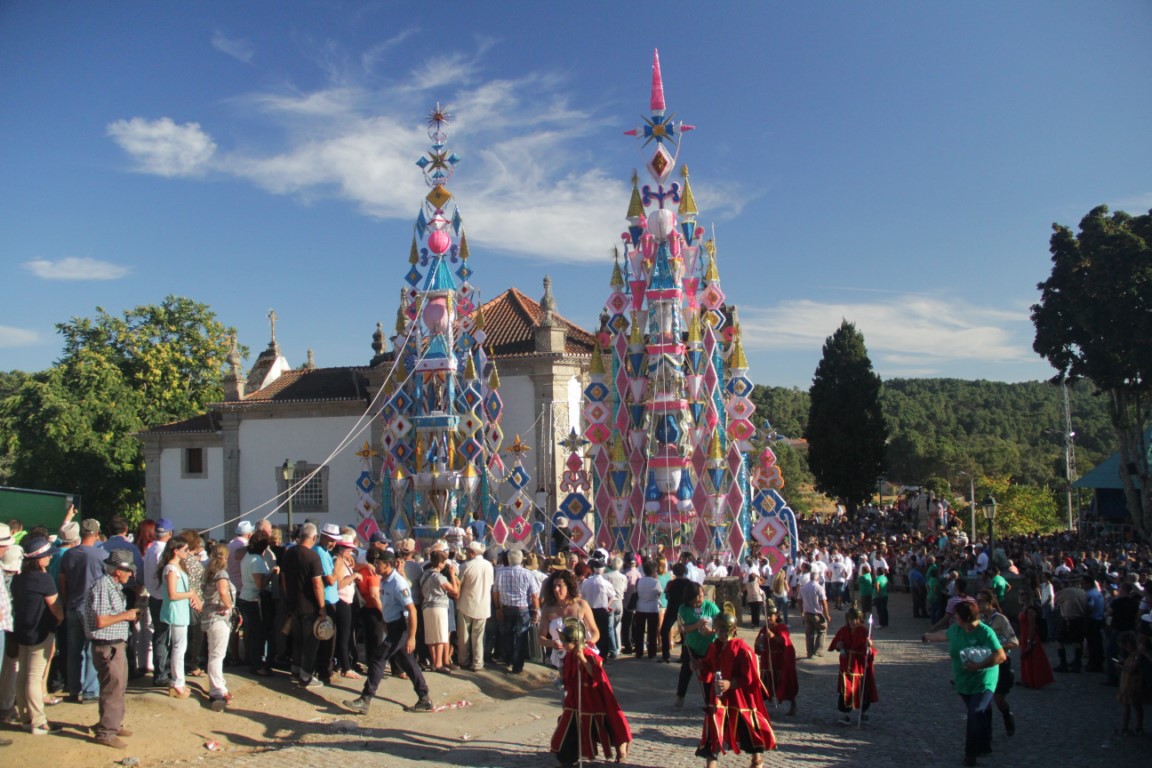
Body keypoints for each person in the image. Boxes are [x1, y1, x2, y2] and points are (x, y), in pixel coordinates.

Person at [343, 549, 432, 714]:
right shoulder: (383, 579)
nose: (376, 565)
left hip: (401, 627)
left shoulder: (398, 583)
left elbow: (412, 610)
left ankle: (366, 698)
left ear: (388, 565)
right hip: (392, 625)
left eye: (379, 563)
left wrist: (412, 637)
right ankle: (424, 697)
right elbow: (389, 605)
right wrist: (386, 621)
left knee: (378, 658)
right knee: (408, 663)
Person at [923, 600, 1006, 767]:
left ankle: (970, 753)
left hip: (984, 680)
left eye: (956, 616)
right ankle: (985, 743)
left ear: (964, 618)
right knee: (980, 712)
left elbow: (1001, 656)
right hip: (964, 682)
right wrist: (928, 637)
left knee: (975, 713)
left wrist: (978, 666)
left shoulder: (985, 632)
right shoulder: (957, 630)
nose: (954, 619)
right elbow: (944, 634)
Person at [695, 604, 776, 768]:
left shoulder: (743, 650)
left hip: (739, 699)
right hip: (718, 698)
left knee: (748, 730)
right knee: (713, 730)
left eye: (725, 630)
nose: (722, 634)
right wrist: (698, 665)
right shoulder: (715, 646)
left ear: (732, 629)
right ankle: (711, 765)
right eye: (719, 630)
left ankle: (757, 760)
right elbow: (709, 664)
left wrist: (730, 683)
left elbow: (750, 678)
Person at [549, 617, 632, 766]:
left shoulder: (588, 655)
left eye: (567, 641)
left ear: (576, 641)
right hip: (575, 700)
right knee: (569, 726)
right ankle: (567, 757)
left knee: (608, 726)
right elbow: (569, 676)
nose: (565, 644)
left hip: (593, 700)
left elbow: (596, 674)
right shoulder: (568, 656)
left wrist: (583, 659)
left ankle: (621, 746)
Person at [84, 549, 140, 748]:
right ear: (118, 570)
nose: (131, 574)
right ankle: (106, 732)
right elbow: (101, 620)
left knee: (118, 687)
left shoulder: (113, 586)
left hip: (116, 643)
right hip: (107, 645)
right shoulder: (102, 586)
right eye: (128, 571)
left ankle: (113, 723)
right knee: (112, 688)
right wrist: (126, 615)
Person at [11, 537, 63, 736]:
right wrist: (59, 618)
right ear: (38, 558)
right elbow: (54, 606)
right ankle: (39, 722)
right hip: (40, 632)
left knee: (22, 674)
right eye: (46, 555)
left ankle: (25, 718)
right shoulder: (43, 579)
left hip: (21, 630)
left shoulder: (19, 577)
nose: (49, 557)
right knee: (34, 677)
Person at [59, 517, 106, 704]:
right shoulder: (100, 556)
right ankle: (90, 690)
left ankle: (73, 689)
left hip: (72, 605)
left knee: (73, 650)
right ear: (95, 534)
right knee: (90, 649)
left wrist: (66, 599)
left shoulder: (68, 554)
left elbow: (63, 580)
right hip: (91, 608)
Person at [159, 536, 201, 698]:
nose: (187, 552)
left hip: (181, 609)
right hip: (176, 610)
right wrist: (190, 594)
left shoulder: (177, 567)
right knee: (178, 647)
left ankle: (178, 681)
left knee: (180, 646)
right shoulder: (171, 568)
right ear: (176, 551)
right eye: (184, 550)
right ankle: (177, 683)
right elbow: (172, 594)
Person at [975, 590, 1018, 737]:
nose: (978, 604)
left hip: (1000, 662)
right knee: (984, 701)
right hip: (984, 664)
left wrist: (998, 646)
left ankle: (1007, 715)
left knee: (999, 700)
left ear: (989, 603)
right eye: (977, 601)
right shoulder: (978, 619)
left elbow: (1014, 642)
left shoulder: (1000, 619)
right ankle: (987, 733)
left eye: (981, 601)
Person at [200, 542, 236, 711]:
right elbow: (222, 591)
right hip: (219, 618)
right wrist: (229, 607)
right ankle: (216, 689)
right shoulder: (221, 573)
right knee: (217, 655)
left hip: (209, 617)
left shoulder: (208, 573)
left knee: (214, 653)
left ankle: (220, 685)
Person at [540, 569, 599, 669]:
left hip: (583, 655)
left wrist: (587, 644)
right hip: (561, 659)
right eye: (554, 586)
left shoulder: (581, 605)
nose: (556, 589)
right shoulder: (547, 608)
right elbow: (541, 638)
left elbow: (595, 632)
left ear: (568, 587)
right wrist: (552, 643)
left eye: (560, 586)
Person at [493, 549, 540, 675]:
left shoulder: (500, 572)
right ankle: (517, 666)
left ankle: (508, 659)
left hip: (506, 608)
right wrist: (536, 611)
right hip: (522, 609)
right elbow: (534, 595)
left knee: (507, 635)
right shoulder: (528, 574)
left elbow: (495, 592)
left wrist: (497, 608)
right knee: (520, 637)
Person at [675, 581, 720, 708]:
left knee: (707, 673)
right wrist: (697, 625)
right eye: (697, 596)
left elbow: (719, 624)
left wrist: (711, 631)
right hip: (691, 646)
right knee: (686, 671)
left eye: (701, 595)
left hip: (708, 646)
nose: (700, 598)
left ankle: (708, 700)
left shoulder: (710, 607)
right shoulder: (684, 608)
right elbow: (683, 628)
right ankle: (680, 696)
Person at [829, 605, 878, 724]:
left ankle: (863, 712)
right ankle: (845, 714)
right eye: (851, 619)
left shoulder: (864, 631)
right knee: (845, 689)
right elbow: (835, 644)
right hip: (846, 665)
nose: (853, 621)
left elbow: (871, 652)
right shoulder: (843, 630)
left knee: (862, 689)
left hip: (859, 665)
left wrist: (869, 645)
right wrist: (838, 645)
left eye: (856, 619)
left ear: (860, 619)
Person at [144, 518, 174, 688]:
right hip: (163, 597)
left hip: (153, 596)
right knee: (163, 636)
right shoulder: (162, 553)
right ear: (169, 534)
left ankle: (161, 670)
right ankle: (161, 673)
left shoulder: (149, 550)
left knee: (159, 635)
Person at [238, 531, 273, 677]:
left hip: (245, 596)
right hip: (254, 599)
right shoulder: (257, 561)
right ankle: (257, 665)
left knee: (251, 632)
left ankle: (253, 661)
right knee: (257, 634)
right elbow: (260, 584)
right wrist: (272, 573)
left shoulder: (247, 557)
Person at [419, 548, 460, 674]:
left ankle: (434, 661)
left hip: (426, 606)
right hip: (439, 606)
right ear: (441, 563)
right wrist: (452, 575)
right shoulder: (439, 577)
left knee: (431, 636)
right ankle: (439, 664)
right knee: (441, 636)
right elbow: (454, 591)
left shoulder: (424, 574)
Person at [754, 601, 798, 715]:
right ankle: (758, 708)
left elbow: (784, 642)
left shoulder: (781, 627)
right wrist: (759, 643)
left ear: (776, 616)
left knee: (783, 684)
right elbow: (758, 647)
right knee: (763, 686)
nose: (768, 617)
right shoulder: (764, 629)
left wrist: (773, 637)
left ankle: (793, 704)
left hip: (778, 661)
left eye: (770, 615)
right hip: (766, 660)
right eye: (766, 615)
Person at [456, 541, 493, 672]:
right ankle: (477, 663)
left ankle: (463, 660)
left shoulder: (466, 566)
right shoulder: (489, 566)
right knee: (478, 636)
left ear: (472, 553)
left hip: (467, 603)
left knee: (464, 634)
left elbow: (458, 583)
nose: (465, 553)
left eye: (467, 551)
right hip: (483, 604)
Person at [331, 540, 362, 679]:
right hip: (341, 600)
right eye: (348, 549)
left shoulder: (343, 561)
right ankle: (345, 666)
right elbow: (339, 584)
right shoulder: (337, 561)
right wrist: (354, 576)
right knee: (344, 635)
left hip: (346, 600)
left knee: (345, 634)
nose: (350, 552)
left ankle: (341, 664)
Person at [1115, 631, 1148, 735]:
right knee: (1134, 706)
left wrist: (1120, 666)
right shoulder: (1133, 654)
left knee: (1131, 706)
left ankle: (1129, 727)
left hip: (1132, 684)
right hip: (1129, 683)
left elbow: (1132, 669)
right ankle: (1136, 727)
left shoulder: (1136, 655)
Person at [1017, 597, 1053, 689]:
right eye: (1020, 594)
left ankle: (1034, 680)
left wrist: (1029, 640)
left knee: (1032, 658)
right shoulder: (1024, 608)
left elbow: (1032, 626)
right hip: (1024, 635)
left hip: (1030, 636)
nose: (1021, 597)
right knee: (1025, 658)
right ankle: (1026, 679)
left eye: (1023, 594)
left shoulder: (1030, 610)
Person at [631, 560, 663, 659]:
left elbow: (636, 591)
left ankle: (639, 651)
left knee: (639, 631)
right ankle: (651, 652)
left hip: (640, 607)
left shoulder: (639, 581)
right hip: (653, 608)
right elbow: (659, 593)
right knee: (652, 631)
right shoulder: (656, 581)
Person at [798, 568, 830, 659]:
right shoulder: (819, 588)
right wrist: (827, 614)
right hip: (817, 613)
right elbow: (824, 602)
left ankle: (810, 652)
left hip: (807, 612)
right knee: (822, 630)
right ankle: (818, 650)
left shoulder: (803, 587)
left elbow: (799, 599)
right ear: (817, 578)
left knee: (809, 633)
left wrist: (801, 610)